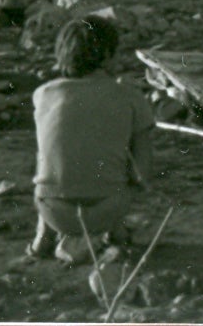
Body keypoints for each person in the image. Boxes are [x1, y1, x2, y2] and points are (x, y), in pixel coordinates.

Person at [28, 16, 155, 262]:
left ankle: (43, 236)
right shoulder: (129, 96)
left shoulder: (43, 94)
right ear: (107, 55)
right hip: (107, 209)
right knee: (115, 160)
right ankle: (116, 232)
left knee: (51, 157)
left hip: (54, 211)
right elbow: (142, 175)